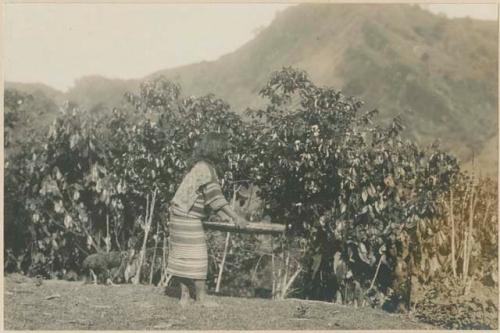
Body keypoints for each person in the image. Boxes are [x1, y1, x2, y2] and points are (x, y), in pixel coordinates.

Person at [166, 132, 249, 307]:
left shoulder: (199, 166)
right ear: (216, 150)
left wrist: (225, 217)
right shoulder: (207, 169)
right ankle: (201, 298)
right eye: (223, 150)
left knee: (183, 256)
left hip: (177, 214)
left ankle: (185, 297)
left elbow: (207, 198)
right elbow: (215, 199)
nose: (225, 154)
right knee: (197, 256)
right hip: (187, 216)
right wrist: (236, 217)